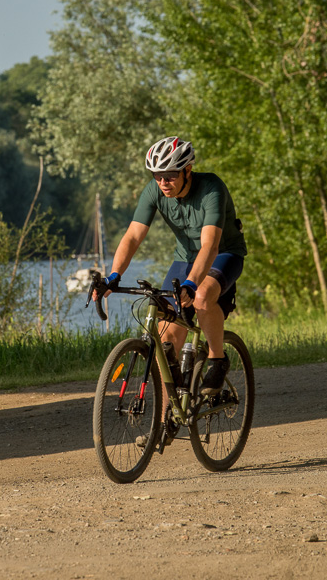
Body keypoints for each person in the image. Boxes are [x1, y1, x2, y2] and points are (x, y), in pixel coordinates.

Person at [94, 136, 247, 440]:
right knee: (166, 339)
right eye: (157, 176)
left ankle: (218, 358)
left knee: (202, 298)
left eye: (170, 175)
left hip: (224, 254)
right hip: (184, 259)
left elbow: (210, 245)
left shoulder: (212, 188)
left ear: (188, 170)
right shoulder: (155, 190)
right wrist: (112, 276)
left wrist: (192, 284)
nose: (163, 182)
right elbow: (133, 236)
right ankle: (167, 419)